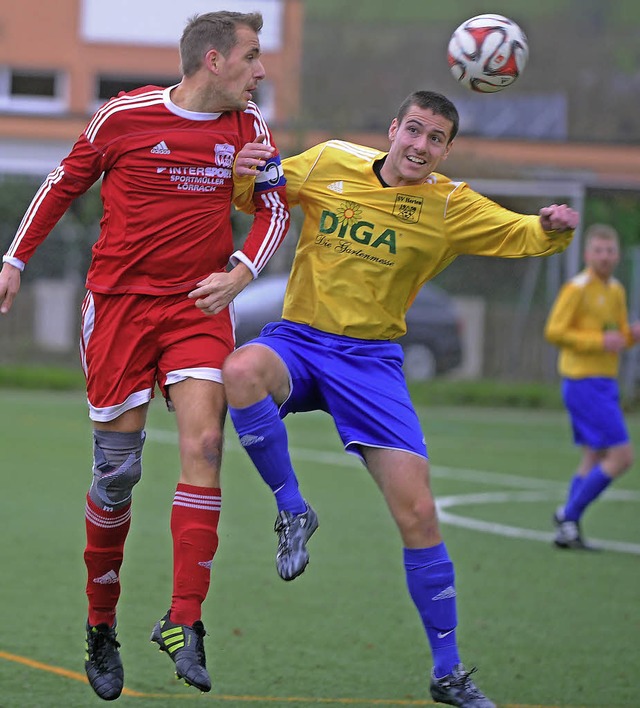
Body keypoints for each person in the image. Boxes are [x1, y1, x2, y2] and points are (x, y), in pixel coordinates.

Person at [223, 90, 579, 707]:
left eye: (435, 138)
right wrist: (242, 172)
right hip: (300, 341)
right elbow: (261, 192)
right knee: (241, 370)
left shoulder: (450, 205)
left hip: (371, 364)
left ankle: (448, 672)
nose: (420, 145)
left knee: (418, 515)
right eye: (413, 130)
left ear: (446, 150)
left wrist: (548, 228)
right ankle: (292, 507)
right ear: (392, 129)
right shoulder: (330, 161)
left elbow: (522, 234)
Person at [0, 10, 289, 701]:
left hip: (196, 310)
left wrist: (241, 272)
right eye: (252, 57)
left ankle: (184, 619)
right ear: (213, 61)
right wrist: (13, 260)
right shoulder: (121, 117)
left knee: (206, 443)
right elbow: (62, 184)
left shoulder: (251, 130)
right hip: (120, 313)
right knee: (117, 479)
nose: (261, 71)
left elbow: (274, 209)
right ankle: (102, 625)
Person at [545, 223, 640, 550]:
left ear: (617, 255)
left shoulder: (616, 290)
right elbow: (554, 331)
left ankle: (567, 530)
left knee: (593, 456)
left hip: (605, 382)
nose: (605, 256)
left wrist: (631, 336)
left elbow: (617, 337)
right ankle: (568, 514)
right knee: (622, 457)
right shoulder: (577, 287)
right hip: (583, 381)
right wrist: (598, 340)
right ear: (587, 254)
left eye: (610, 250)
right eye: (598, 250)